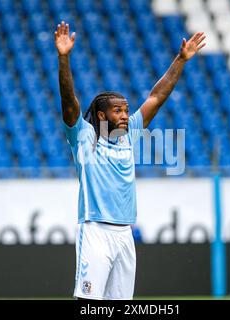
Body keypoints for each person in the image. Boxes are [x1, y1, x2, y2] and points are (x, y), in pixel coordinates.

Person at [54, 20, 205, 300]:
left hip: (125, 234)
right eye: (117, 111)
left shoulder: (130, 133)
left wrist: (180, 60)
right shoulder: (84, 136)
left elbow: (157, 96)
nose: (125, 115)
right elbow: (68, 100)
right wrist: (64, 58)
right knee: (88, 302)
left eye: (125, 110)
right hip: (95, 230)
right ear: (101, 116)